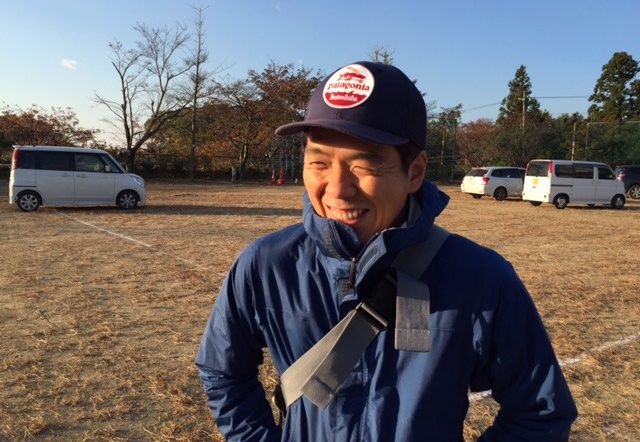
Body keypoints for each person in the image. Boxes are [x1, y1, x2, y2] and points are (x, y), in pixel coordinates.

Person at [195, 61, 578, 441]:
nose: (337, 189)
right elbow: (223, 371)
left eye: (364, 166)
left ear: (415, 172)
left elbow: (540, 412)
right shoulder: (266, 265)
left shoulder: (480, 279)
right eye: (319, 162)